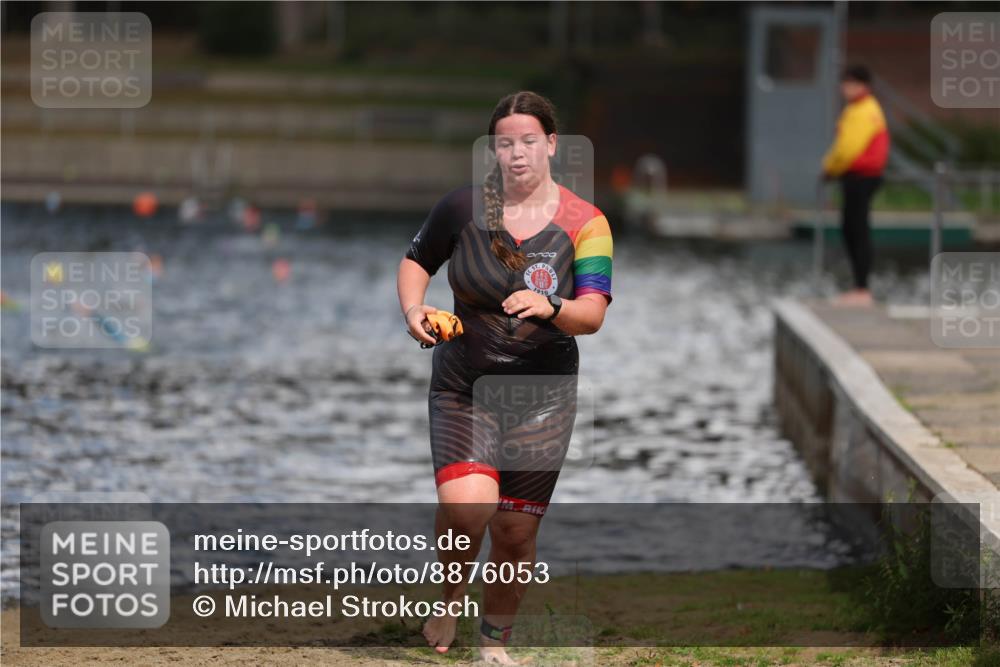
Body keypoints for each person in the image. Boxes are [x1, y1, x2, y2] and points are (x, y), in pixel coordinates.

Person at [396, 91, 612, 664]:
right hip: (465, 384)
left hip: (544, 395)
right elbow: (416, 261)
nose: (516, 154)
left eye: (528, 142)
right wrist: (414, 311)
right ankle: (448, 598)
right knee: (469, 506)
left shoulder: (587, 223)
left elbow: (591, 316)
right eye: (505, 143)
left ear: (551, 145)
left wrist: (552, 308)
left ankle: (493, 642)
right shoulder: (461, 208)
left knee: (515, 532)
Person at [821, 64, 890, 307]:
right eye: (845, 83)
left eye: (851, 83)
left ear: (864, 86)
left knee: (857, 229)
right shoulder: (859, 109)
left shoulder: (862, 110)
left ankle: (862, 289)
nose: (846, 88)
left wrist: (828, 168)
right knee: (851, 228)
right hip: (857, 176)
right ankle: (860, 287)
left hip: (861, 176)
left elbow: (847, 149)